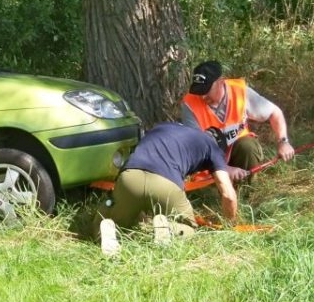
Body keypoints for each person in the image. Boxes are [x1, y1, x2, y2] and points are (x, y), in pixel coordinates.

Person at [94, 122, 246, 252]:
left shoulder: (164, 127)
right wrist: (229, 226)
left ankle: (111, 229)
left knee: (118, 218)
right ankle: (167, 229)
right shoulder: (212, 147)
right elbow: (228, 195)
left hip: (129, 177)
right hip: (165, 183)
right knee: (189, 229)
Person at [181, 60, 294, 171]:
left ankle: (247, 185)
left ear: (221, 82)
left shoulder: (239, 91)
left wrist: (283, 142)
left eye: (206, 90)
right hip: (209, 165)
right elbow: (196, 148)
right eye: (199, 91)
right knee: (208, 187)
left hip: (239, 153)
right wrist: (224, 169)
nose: (202, 96)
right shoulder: (190, 104)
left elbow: (275, 112)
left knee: (248, 146)